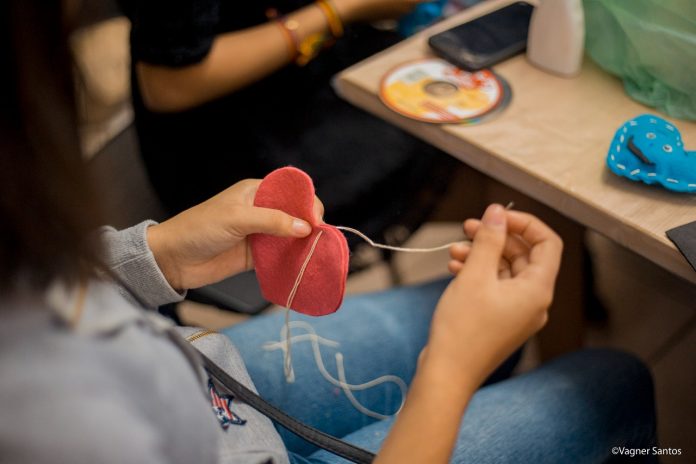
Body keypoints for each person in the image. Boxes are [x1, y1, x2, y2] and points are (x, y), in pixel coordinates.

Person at [0, 2, 658, 463]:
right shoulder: (60, 426)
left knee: (466, 310)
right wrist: (450, 372)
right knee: (613, 384)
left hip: (203, 378)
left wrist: (156, 254)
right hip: (213, 421)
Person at [118, 0, 459, 247]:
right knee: (462, 148)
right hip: (236, 144)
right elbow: (167, 87)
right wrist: (342, 9)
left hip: (318, 74)